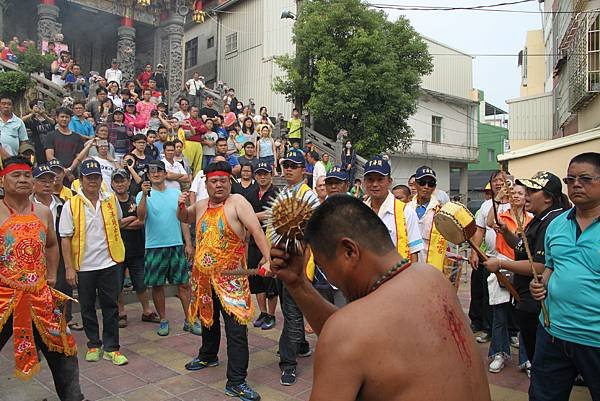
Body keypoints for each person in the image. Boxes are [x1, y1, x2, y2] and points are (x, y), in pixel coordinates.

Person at [270, 195, 492, 401]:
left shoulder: (349, 332)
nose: (328, 276)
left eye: (322, 265)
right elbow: (353, 338)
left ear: (349, 252)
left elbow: (346, 336)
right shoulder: (434, 279)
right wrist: (298, 283)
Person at [178, 161, 269, 401]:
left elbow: (257, 231)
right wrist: (180, 204)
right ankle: (208, 355)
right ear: (206, 184)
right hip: (203, 278)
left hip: (232, 280)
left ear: (230, 182)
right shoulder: (200, 205)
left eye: (223, 181)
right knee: (208, 320)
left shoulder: (238, 202)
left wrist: (268, 259)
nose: (218, 185)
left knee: (236, 330)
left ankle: (237, 381)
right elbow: (184, 217)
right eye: (213, 181)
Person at [0, 157, 85, 400]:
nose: (23, 180)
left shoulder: (44, 212)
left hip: (39, 295)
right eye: (16, 175)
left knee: (65, 352)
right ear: (2, 180)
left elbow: (51, 244)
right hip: (4, 295)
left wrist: (50, 276)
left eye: (27, 175)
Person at [529, 152, 600, 401]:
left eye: (585, 178)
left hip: (595, 338)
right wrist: (541, 284)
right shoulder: (557, 225)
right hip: (553, 333)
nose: (576, 184)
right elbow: (550, 267)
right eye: (570, 180)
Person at [483, 171, 569, 366]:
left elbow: (539, 266)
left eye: (532, 190)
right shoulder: (538, 219)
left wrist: (501, 263)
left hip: (537, 302)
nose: (526, 194)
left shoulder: (551, 222)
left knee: (541, 361)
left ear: (548, 197)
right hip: (525, 298)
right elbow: (522, 248)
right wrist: (505, 232)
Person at [60, 159, 128, 366]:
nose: (93, 182)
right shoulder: (71, 205)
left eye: (96, 177)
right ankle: (93, 344)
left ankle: (112, 348)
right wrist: (69, 268)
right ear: (81, 180)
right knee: (88, 307)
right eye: (89, 178)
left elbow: (117, 221)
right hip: (84, 266)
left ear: (101, 179)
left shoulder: (110, 200)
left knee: (111, 307)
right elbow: (65, 237)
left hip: (109, 262)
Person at [135, 160, 198, 336]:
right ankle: (163, 320)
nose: (156, 174)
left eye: (159, 171)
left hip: (176, 244)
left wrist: (188, 243)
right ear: (147, 175)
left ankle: (190, 319)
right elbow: (141, 217)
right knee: (157, 286)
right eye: (152, 171)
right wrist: (145, 195)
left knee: (184, 284)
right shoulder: (142, 195)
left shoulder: (176, 193)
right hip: (154, 246)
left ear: (165, 173)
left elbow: (183, 219)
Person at [277, 149, 316, 386]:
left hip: (297, 263)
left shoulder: (307, 196)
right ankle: (300, 345)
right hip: (282, 259)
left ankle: (288, 363)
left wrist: (302, 268)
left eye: (293, 165)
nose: (288, 169)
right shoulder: (284, 193)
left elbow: (309, 238)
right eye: (286, 165)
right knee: (289, 308)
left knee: (291, 314)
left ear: (304, 170)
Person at [111, 169, 160, 327]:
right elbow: (112, 226)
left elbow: (141, 220)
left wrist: (122, 223)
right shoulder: (109, 202)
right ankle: (121, 312)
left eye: (122, 180)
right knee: (117, 283)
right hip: (117, 250)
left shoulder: (135, 199)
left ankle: (146, 311)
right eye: (116, 181)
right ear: (112, 184)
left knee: (140, 282)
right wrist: (130, 219)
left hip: (136, 248)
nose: (120, 184)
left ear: (128, 182)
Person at [468, 171, 511, 341]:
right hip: (489, 257)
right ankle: (487, 328)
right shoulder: (487, 206)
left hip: (510, 259)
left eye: (503, 180)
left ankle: (512, 331)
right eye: (495, 180)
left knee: (509, 296)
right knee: (487, 295)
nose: (499, 183)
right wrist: (475, 252)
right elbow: (481, 230)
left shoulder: (517, 202)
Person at [363, 158, 423, 263]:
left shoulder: (406, 212)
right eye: (370, 180)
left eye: (380, 179)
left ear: (389, 181)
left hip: (397, 275)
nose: (375, 184)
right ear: (364, 182)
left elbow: (414, 253)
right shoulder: (359, 211)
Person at [247, 162, 279, 330]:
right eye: (259, 173)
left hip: (270, 240)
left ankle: (272, 315)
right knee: (256, 279)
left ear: (271, 175)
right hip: (253, 242)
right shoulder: (251, 194)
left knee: (269, 280)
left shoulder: (276, 193)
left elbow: (273, 214)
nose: (262, 176)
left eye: (265, 173)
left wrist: (251, 216)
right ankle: (263, 312)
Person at [407, 166, 447, 271]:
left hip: (432, 264)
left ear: (434, 187)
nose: (426, 186)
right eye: (422, 182)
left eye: (430, 183)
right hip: (408, 263)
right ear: (415, 184)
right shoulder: (405, 209)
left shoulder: (441, 211)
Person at [45, 108, 85, 176]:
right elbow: (49, 156)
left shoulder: (77, 137)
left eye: (67, 117)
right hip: (55, 173)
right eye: (62, 116)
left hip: (72, 174)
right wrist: (63, 170)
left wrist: (69, 170)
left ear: (70, 119)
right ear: (57, 118)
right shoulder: (50, 135)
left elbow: (79, 157)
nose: (64, 119)